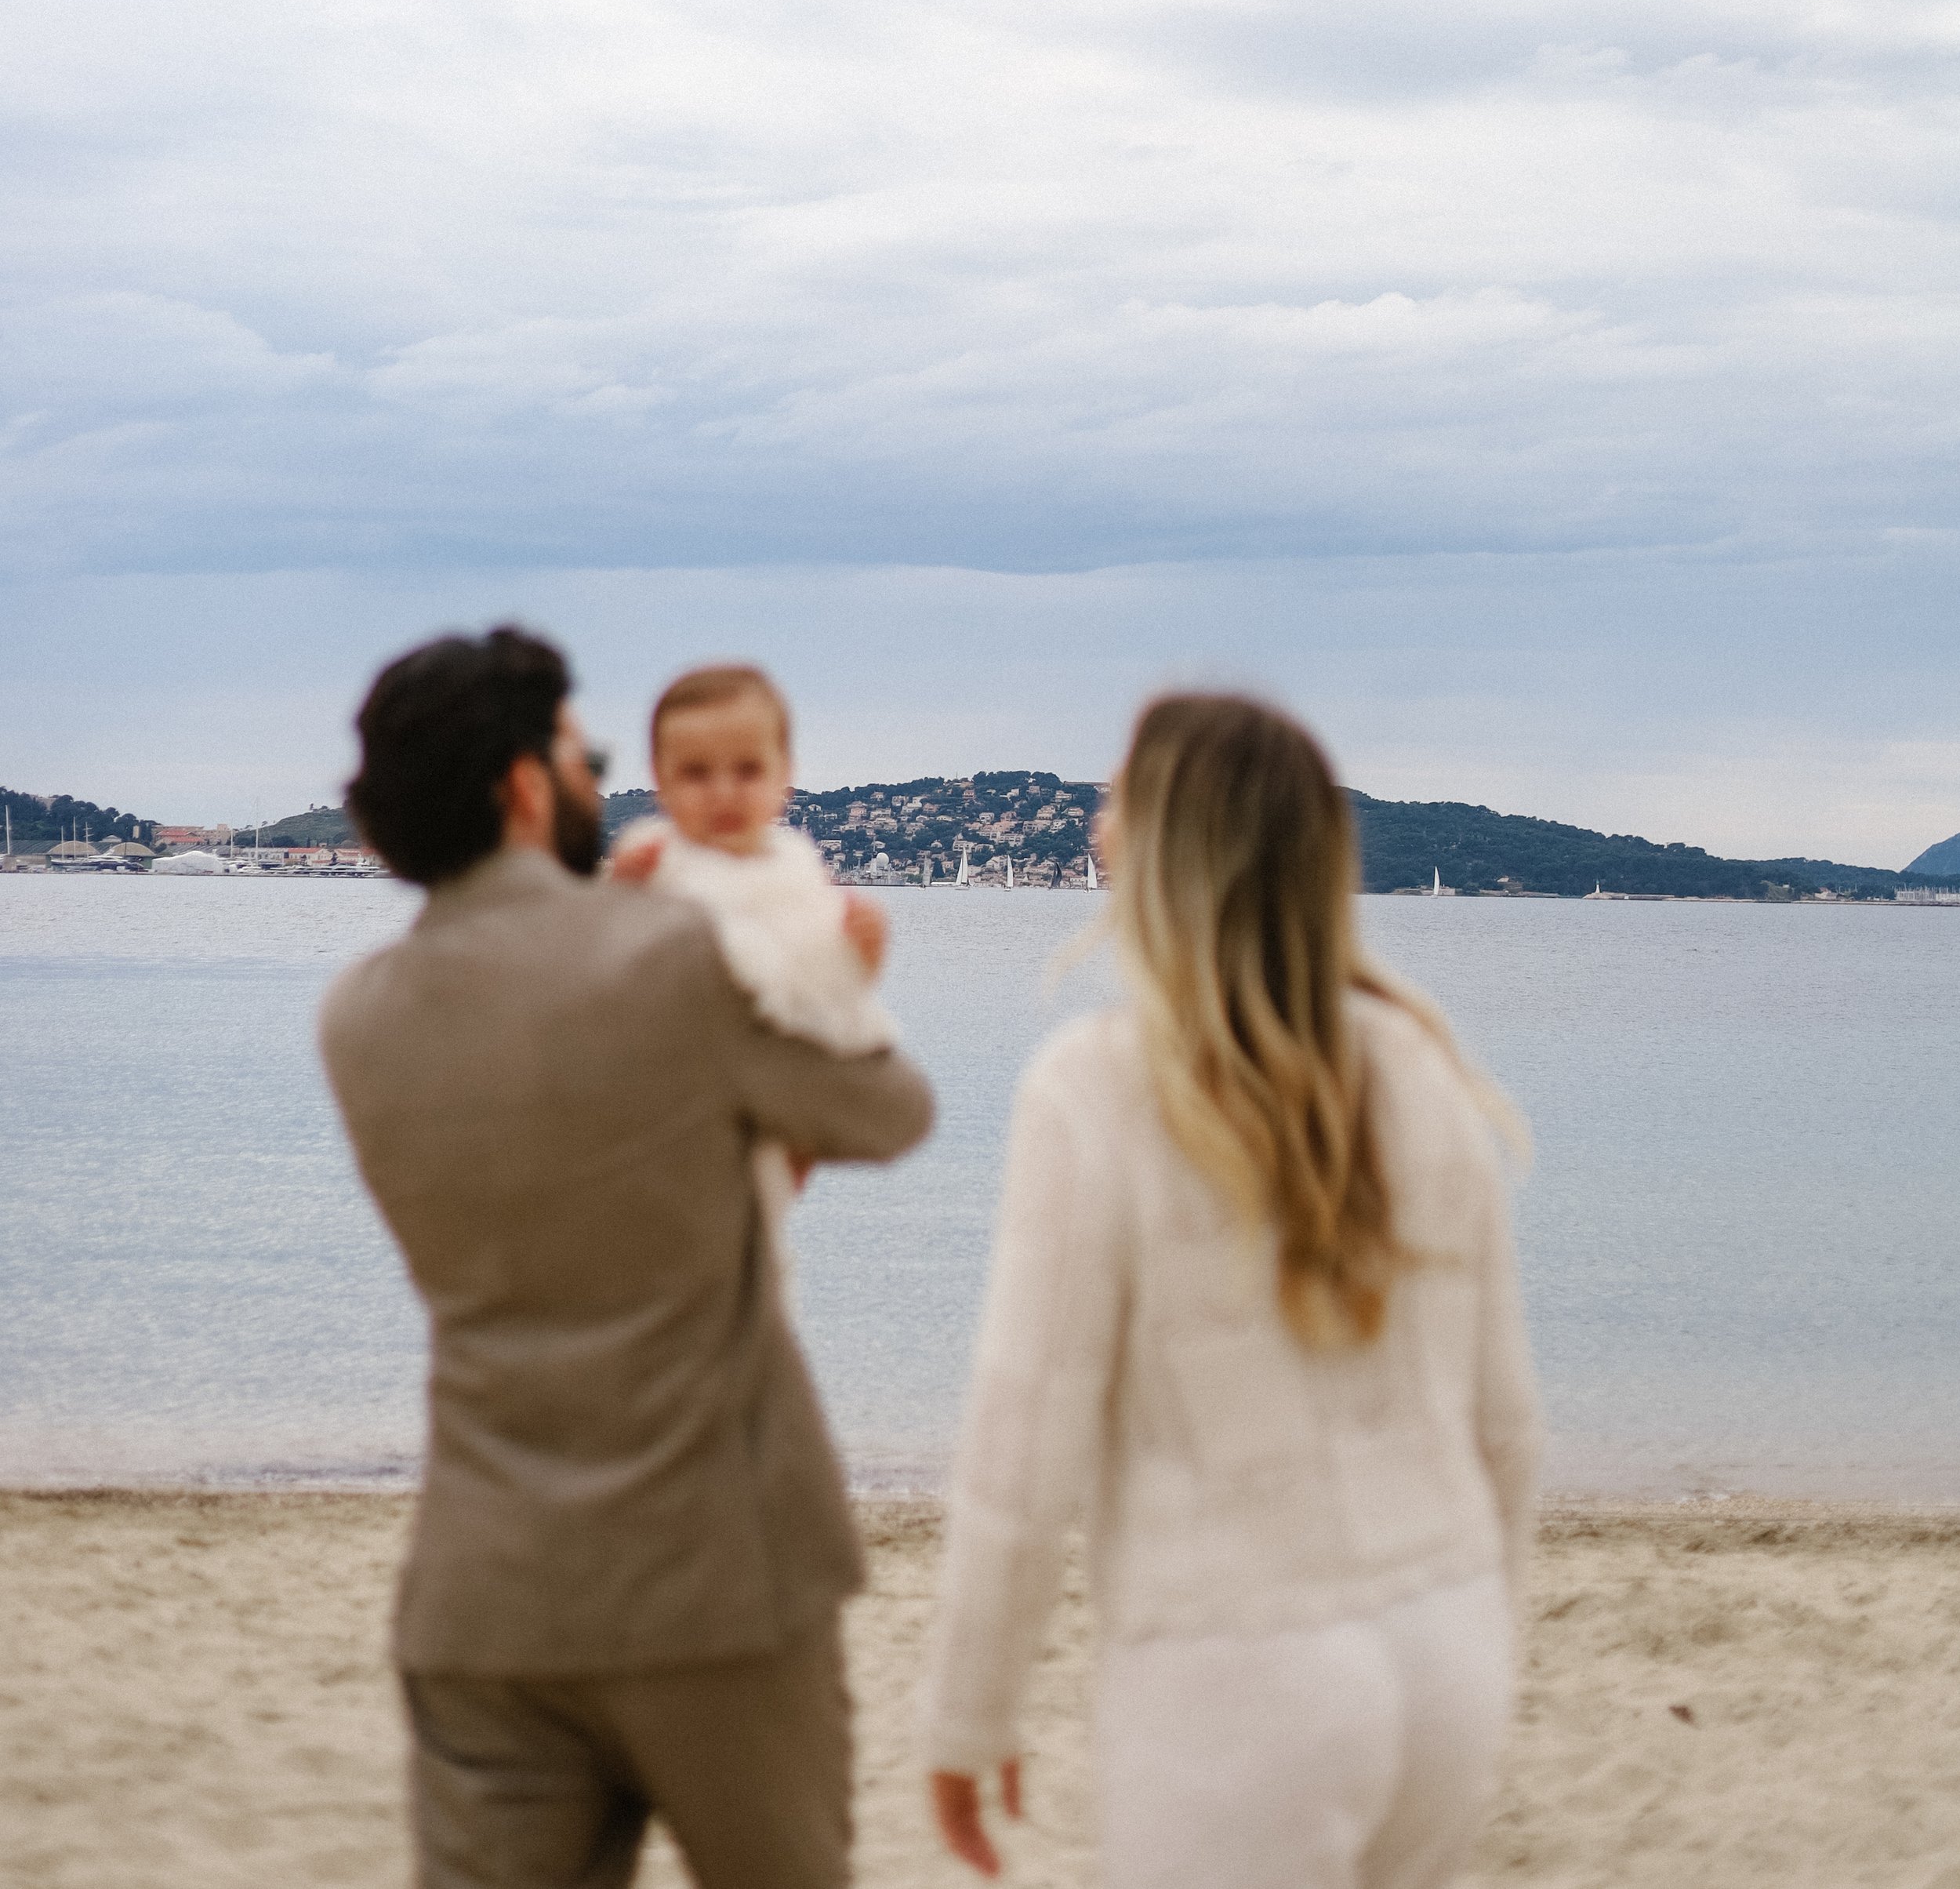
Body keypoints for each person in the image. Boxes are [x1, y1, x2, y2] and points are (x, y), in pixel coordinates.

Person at [319, 626, 934, 1889]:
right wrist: (848, 983)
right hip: (716, 1581)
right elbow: (891, 1112)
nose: (601, 777)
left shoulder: (359, 1014)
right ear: (526, 788)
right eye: (584, 753)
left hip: (483, 1594)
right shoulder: (673, 958)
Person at [922, 692, 1540, 1889]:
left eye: (1112, 800)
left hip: (1238, 1674)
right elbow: (1508, 1429)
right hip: (1446, 1646)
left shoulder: (1095, 1089)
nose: (1093, 826)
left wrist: (966, 1715)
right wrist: (1482, 1630)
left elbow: (1021, 1451)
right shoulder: (1422, 1065)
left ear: (1160, 849)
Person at [611, 663, 897, 1288]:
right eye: (696, 773)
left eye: (746, 770)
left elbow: (826, 994)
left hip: (771, 1100)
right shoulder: (654, 860)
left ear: (784, 778)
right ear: (659, 781)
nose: (723, 793)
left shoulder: (796, 871)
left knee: (755, 1257)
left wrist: (859, 963)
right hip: (664, 1105)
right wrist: (615, 903)